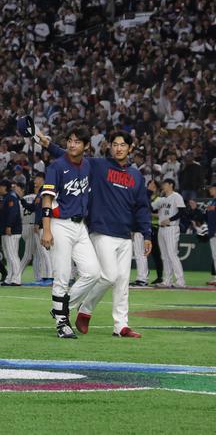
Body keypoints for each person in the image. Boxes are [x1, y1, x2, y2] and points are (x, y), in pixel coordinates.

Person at [41, 130, 152, 338]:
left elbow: (142, 207)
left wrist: (147, 234)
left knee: (121, 281)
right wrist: (47, 144)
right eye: (115, 144)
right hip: (100, 229)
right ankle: (70, 309)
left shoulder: (137, 176)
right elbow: (70, 155)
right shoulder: (99, 165)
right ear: (109, 146)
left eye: (123, 145)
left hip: (124, 233)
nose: (118, 148)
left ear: (131, 148)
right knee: (107, 275)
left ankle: (120, 325)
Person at [40, 126, 101, 339]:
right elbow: (47, 198)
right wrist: (46, 229)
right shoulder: (56, 167)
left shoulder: (88, 166)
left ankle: (61, 308)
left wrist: (48, 144)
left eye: (77, 141)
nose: (72, 144)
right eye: (70, 140)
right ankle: (61, 323)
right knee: (62, 275)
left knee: (93, 272)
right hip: (60, 224)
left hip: (80, 226)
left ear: (85, 146)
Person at [152, 178, 186, 288]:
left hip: (171, 228)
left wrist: (170, 219)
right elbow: (151, 207)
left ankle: (180, 281)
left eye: (165, 184)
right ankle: (167, 280)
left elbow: (182, 212)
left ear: (171, 185)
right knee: (164, 256)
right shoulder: (161, 199)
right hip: (161, 229)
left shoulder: (176, 196)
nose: (163, 186)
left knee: (172, 254)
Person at [0, 181, 24, 286]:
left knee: (13, 255)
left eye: (0, 186)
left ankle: (16, 279)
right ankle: (9, 278)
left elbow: (13, 213)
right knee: (8, 255)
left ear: (4, 187)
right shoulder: (7, 197)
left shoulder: (11, 197)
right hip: (6, 230)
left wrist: (9, 225)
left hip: (12, 231)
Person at [201, 183, 216, 286]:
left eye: (212, 188)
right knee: (215, 256)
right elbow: (206, 217)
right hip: (212, 232)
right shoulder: (212, 202)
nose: (210, 190)